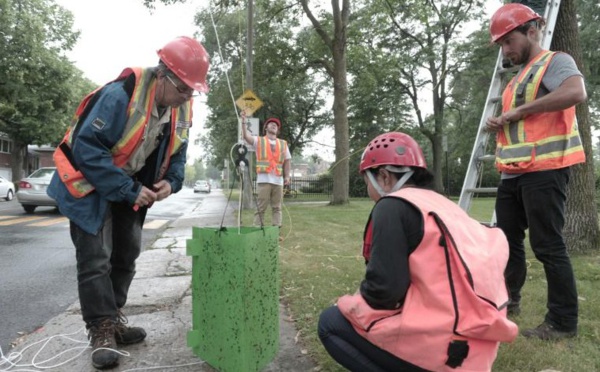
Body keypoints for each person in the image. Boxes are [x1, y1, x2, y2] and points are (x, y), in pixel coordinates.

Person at [47, 36, 210, 369]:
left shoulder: (182, 105)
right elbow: (87, 149)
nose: (187, 97)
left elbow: (178, 152)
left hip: (126, 186)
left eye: (192, 91)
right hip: (87, 184)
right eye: (183, 89)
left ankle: (114, 317)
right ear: (164, 75)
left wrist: (172, 181)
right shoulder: (120, 94)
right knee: (95, 258)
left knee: (128, 252)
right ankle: (101, 328)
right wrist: (128, 189)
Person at [318, 132, 518, 372]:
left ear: (383, 177)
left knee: (330, 322)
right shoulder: (443, 204)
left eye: (366, 181)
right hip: (476, 354)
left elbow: (383, 292)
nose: (368, 189)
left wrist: (348, 303)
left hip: (442, 353)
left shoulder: (392, 206)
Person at [486, 3, 587, 340]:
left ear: (532, 32)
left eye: (508, 41)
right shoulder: (517, 79)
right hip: (512, 174)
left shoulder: (556, 62)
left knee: (547, 245)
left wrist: (521, 111)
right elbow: (522, 124)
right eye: (501, 44)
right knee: (507, 241)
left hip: (545, 170)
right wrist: (499, 121)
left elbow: (576, 92)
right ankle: (507, 299)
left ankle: (561, 323)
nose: (506, 50)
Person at [241, 117, 291, 230]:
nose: (274, 125)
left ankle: (275, 232)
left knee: (277, 207)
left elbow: (287, 160)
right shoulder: (259, 140)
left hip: (278, 181)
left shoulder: (283, 144)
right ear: (265, 127)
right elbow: (246, 136)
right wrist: (244, 122)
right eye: (271, 123)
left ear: (278, 130)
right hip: (264, 180)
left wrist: (287, 176)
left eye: (276, 125)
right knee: (261, 207)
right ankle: (257, 230)